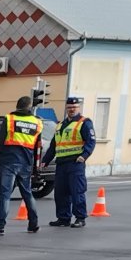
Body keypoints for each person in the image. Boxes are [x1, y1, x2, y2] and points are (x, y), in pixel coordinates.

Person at [0, 95, 44, 236]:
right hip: (26, 163)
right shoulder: (37, 122)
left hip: (9, 162)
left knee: (5, 195)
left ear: (17, 106)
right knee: (27, 194)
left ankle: (0, 227)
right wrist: (36, 167)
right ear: (29, 107)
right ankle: (33, 224)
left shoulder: (10, 119)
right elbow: (38, 147)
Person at [43, 94, 96, 227]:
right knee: (60, 192)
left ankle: (80, 218)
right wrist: (45, 160)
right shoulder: (60, 125)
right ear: (66, 108)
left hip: (75, 163)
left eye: (74, 107)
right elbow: (54, 145)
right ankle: (63, 218)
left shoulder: (84, 123)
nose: (72, 109)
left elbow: (91, 141)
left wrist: (84, 156)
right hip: (61, 163)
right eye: (69, 107)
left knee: (77, 191)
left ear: (78, 108)